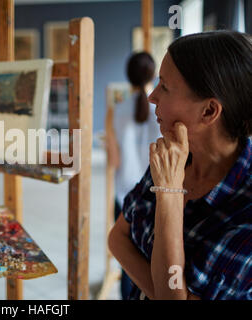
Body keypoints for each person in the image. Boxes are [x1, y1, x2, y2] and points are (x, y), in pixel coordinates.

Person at [108, 30, 251, 300]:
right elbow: (116, 238)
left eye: (164, 86)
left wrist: (170, 193)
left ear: (209, 111)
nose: (152, 97)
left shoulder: (244, 211)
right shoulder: (175, 154)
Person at [106, 52, 161, 299]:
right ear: (153, 74)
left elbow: (114, 161)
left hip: (125, 193)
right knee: (152, 259)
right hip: (161, 194)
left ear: (128, 76)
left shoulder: (116, 111)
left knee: (127, 259)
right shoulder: (164, 110)